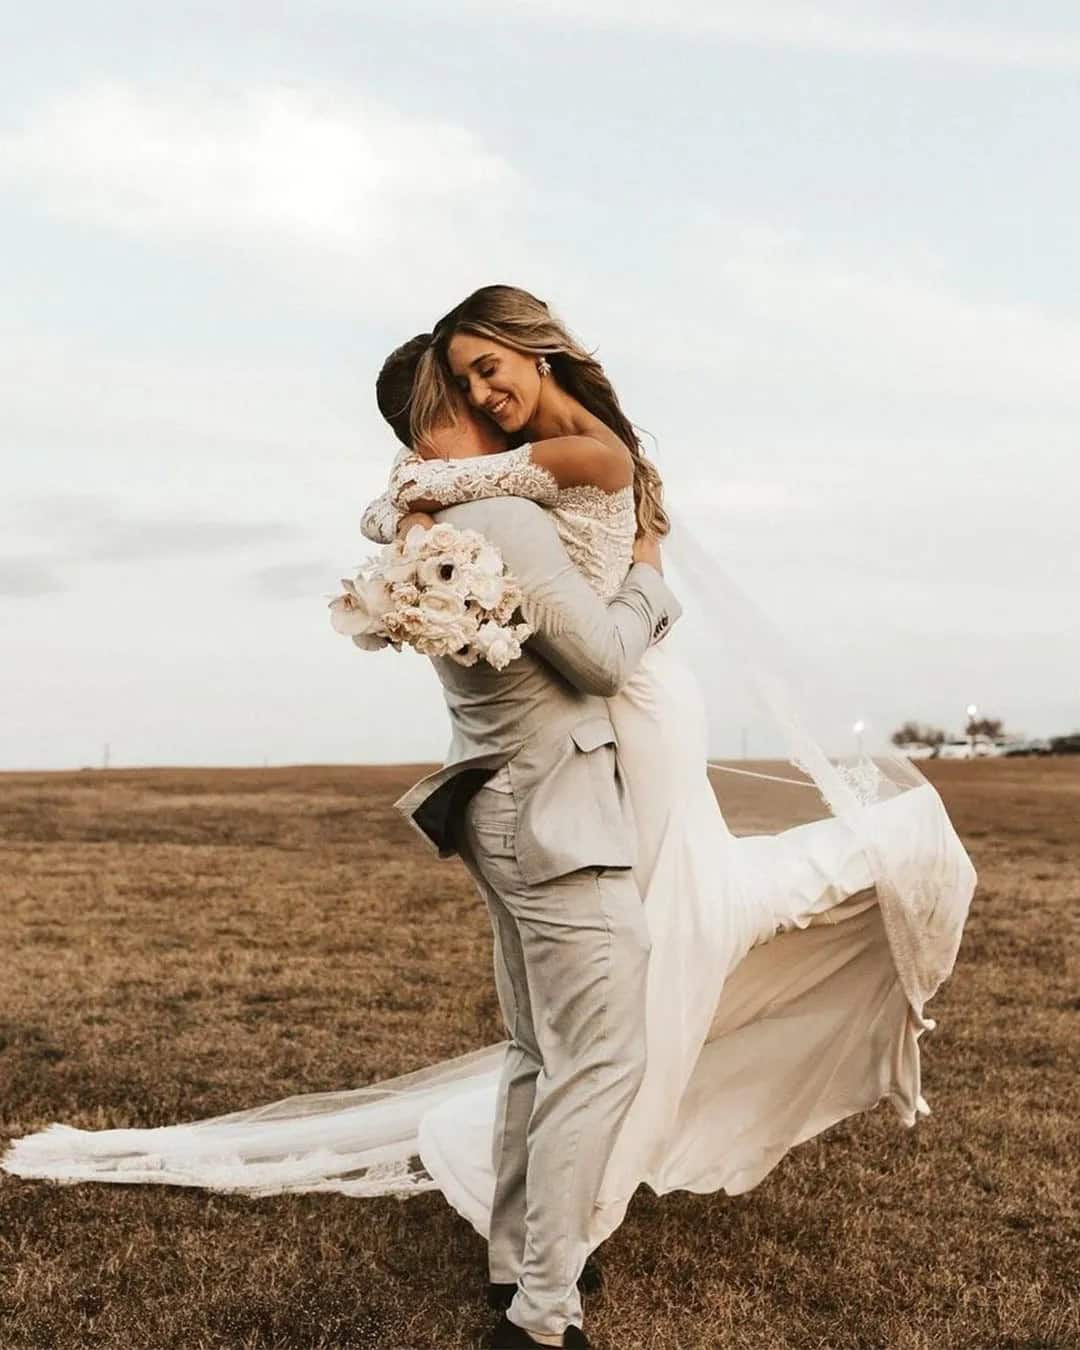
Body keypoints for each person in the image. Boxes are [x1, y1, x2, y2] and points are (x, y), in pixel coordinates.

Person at [3, 288, 977, 1350]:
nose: (487, 400)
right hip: (560, 819)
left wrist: (411, 501)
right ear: (441, 409)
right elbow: (602, 657)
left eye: (487, 372)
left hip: (512, 809)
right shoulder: (502, 515)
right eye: (465, 384)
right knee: (600, 1059)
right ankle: (541, 1317)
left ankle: (518, 1261)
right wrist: (653, 581)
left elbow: (475, 521)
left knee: (534, 1049)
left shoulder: (442, 513)